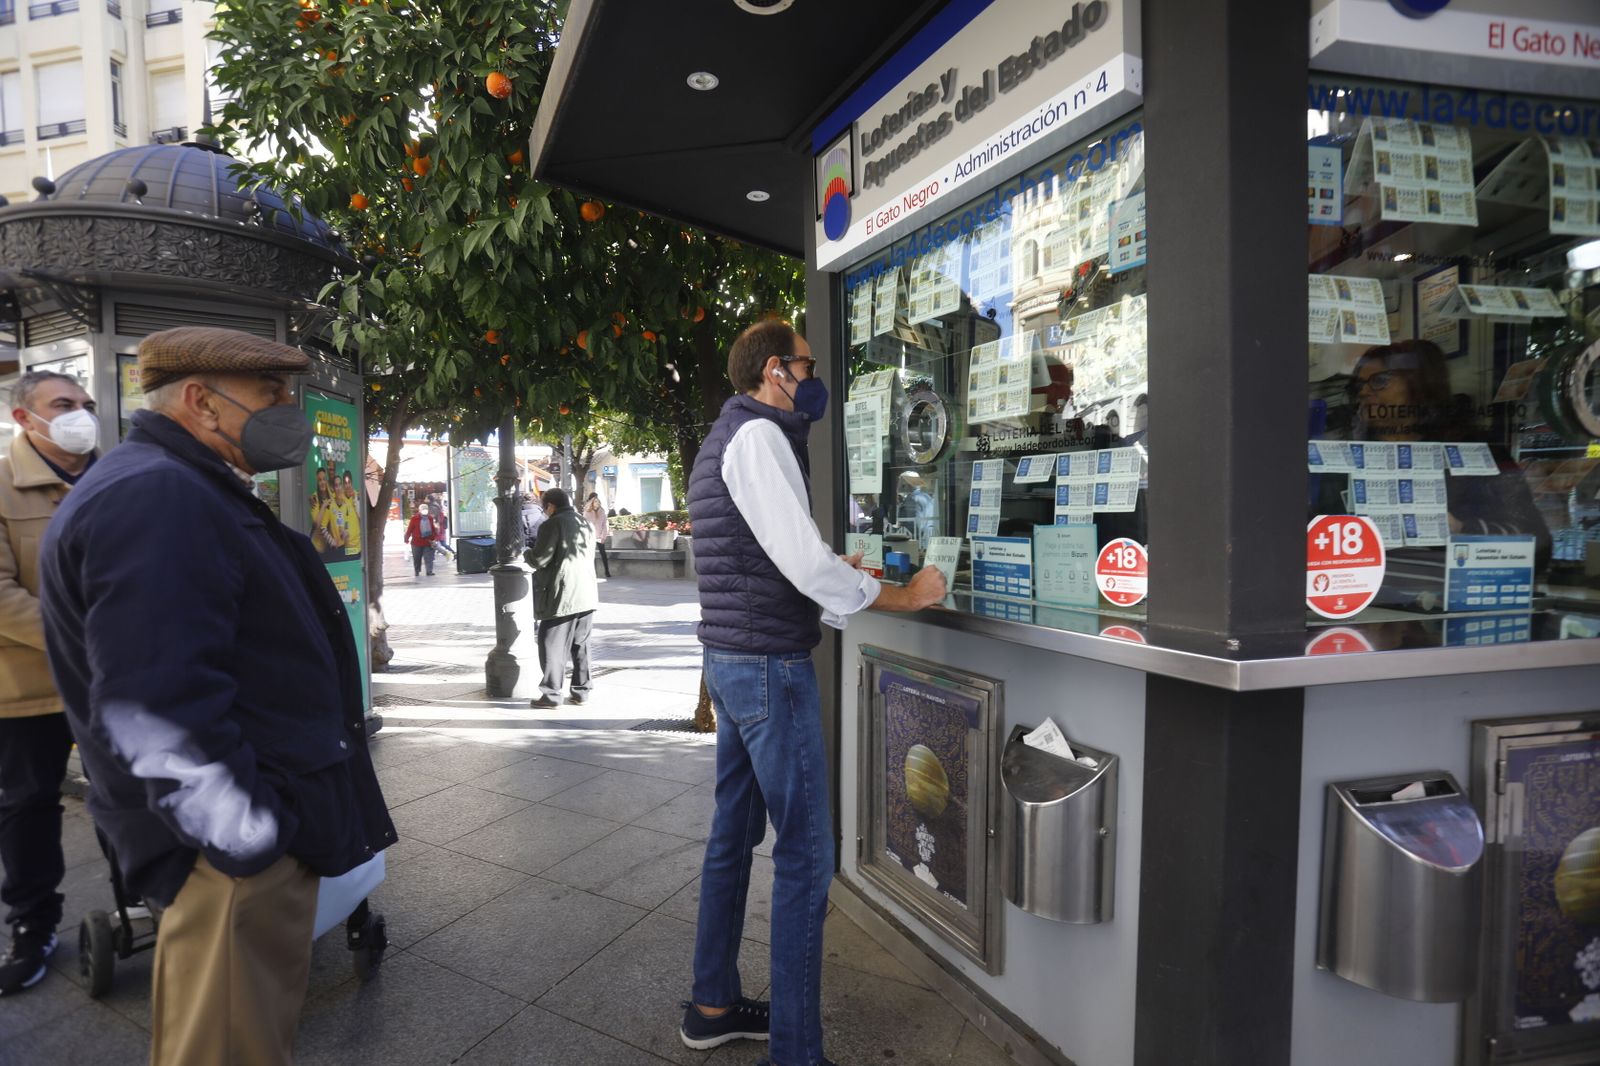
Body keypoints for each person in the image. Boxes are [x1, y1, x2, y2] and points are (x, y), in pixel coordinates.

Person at [37, 326, 394, 1065]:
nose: (286, 410)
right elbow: (158, 705)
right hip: (224, 857)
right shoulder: (159, 496)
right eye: (271, 394)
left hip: (227, 843)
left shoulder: (177, 484)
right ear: (201, 401)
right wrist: (249, 841)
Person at [680, 321, 946, 1066]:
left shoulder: (728, 435)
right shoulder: (760, 439)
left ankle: (712, 1003)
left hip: (733, 661)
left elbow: (764, 555)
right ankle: (796, 1053)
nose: (814, 373)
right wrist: (901, 594)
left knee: (732, 835)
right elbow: (798, 564)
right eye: (807, 362)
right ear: (777, 371)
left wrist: (833, 570)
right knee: (806, 856)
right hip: (768, 668)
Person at [0, 370, 98, 996]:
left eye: (84, 405)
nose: (79, 415)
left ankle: (140, 902)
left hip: (110, 684)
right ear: (23, 418)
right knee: (27, 806)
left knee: (128, 795)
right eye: (63, 405)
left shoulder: (112, 480)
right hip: (28, 685)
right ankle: (33, 926)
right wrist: (94, 638)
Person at [523, 487, 598, 708]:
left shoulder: (552, 524)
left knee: (551, 645)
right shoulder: (585, 522)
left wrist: (526, 552)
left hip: (562, 594)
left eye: (544, 506)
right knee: (580, 645)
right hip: (587, 593)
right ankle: (581, 691)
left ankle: (552, 694)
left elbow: (540, 559)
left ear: (551, 506)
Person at [404, 500, 440, 576]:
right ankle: (417, 571)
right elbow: (409, 529)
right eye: (423, 509)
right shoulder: (414, 518)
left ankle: (429, 571)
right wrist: (406, 538)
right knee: (417, 558)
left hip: (428, 541)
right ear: (419, 510)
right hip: (416, 542)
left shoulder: (430, 518)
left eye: (426, 509)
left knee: (429, 558)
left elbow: (433, 529)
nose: (425, 511)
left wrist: (435, 537)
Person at [585, 491, 612, 578]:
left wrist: (603, 536)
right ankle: (593, 573)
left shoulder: (602, 511)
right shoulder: (587, 512)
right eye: (595, 501)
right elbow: (584, 524)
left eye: (598, 501)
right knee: (591, 555)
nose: (597, 503)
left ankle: (607, 571)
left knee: (603, 553)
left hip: (600, 537)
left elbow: (604, 525)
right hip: (590, 536)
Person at [338, 471, 363, 558]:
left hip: (358, 546)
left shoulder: (357, 496)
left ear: (352, 483)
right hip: (346, 546)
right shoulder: (339, 498)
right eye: (345, 483)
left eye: (349, 482)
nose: (347, 485)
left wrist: (355, 499)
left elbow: (361, 516)